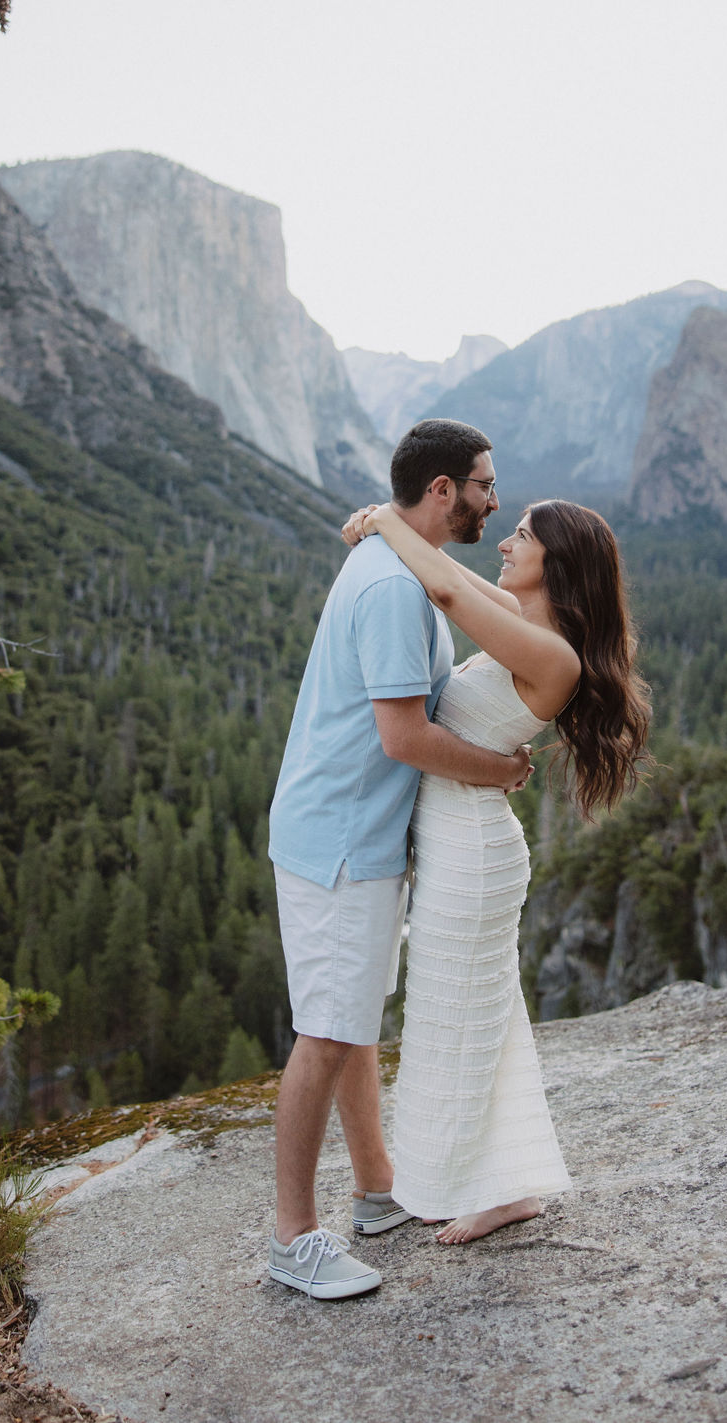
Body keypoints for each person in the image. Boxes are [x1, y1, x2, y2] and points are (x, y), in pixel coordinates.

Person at [266, 419, 534, 1299]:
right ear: (445, 490)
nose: (497, 499)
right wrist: (500, 770)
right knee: (329, 1031)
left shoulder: (403, 567)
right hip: (340, 844)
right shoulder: (390, 588)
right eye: (486, 484)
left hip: (358, 841)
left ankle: (379, 1190)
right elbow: (402, 734)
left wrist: (381, 519)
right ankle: (293, 1237)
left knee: (352, 1021)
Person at [340, 495, 651, 1243]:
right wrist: (387, 522)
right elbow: (450, 573)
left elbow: (446, 590)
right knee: (482, 1016)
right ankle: (510, 1183)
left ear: (557, 562)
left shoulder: (553, 653)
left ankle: (477, 1186)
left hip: (473, 853)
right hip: (457, 842)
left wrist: (387, 523)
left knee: (460, 1020)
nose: (506, 543)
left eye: (522, 536)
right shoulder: (526, 624)